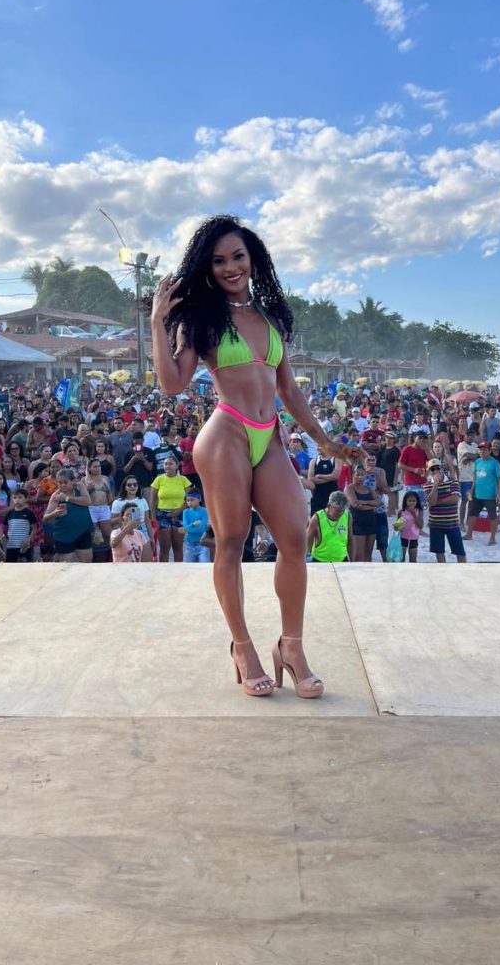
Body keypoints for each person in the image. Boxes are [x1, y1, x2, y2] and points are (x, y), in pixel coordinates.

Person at [150, 214, 355, 697]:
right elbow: (172, 383)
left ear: (253, 259)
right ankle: (242, 648)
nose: (230, 268)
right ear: (208, 267)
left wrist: (323, 440)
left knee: (294, 540)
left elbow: (289, 391)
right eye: (219, 260)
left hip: (271, 436)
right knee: (231, 542)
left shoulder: (271, 317)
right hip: (226, 435)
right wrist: (158, 321)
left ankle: (291, 648)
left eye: (238, 257)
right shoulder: (200, 320)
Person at [42, 468, 94, 563]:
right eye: (60, 482)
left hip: (82, 532)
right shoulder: (56, 496)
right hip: (63, 535)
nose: (62, 485)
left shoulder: (79, 487)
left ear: (72, 481)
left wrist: (67, 498)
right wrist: (55, 513)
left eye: (65, 482)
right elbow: (45, 518)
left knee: (87, 564)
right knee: (65, 565)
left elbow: (87, 501)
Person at [424, 458, 466, 563]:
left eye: (437, 467)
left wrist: (436, 502)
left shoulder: (453, 481)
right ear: (429, 471)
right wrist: (435, 485)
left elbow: (455, 499)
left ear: (441, 468)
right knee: (439, 552)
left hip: (452, 524)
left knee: (460, 552)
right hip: (435, 524)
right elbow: (431, 501)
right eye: (432, 469)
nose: (435, 470)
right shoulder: (427, 485)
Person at [150, 455, 190, 562]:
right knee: (164, 547)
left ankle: (178, 570)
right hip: (162, 515)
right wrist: (153, 518)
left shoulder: (183, 480)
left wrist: (178, 511)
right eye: (165, 464)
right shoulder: (158, 479)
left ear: (177, 466)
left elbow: (189, 500)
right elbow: (153, 501)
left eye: (171, 464)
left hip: (180, 515)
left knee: (178, 547)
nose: (168, 466)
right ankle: (164, 570)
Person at [463, 441, 500, 546]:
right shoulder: (477, 462)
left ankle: (492, 538)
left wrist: (499, 494)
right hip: (477, 495)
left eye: (484, 450)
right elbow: (475, 478)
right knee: (472, 514)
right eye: (480, 449)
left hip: (490, 496)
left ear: (489, 451)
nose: (481, 451)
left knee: (493, 517)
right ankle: (469, 534)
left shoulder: (495, 463)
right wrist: (471, 490)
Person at [307, 490, 353, 564]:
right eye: (337, 511)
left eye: (343, 511)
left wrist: (352, 562)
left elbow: (350, 540)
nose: (340, 514)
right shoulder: (317, 518)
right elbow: (308, 541)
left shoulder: (348, 516)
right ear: (329, 506)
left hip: (341, 560)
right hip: (320, 561)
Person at [1, 489, 36, 562]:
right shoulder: (10, 513)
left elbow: (34, 528)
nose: (17, 500)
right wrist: (0, 537)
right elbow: (2, 526)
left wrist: (28, 540)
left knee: (25, 565)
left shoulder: (29, 513)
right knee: (10, 565)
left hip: (24, 546)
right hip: (11, 545)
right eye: (15, 498)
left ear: (26, 499)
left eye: (20, 497)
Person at [398, 432, 429, 507]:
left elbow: (431, 460)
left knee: (422, 506)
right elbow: (400, 464)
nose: (421, 440)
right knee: (411, 506)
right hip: (411, 483)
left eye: (423, 438)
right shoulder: (407, 449)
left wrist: (426, 448)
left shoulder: (424, 449)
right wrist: (414, 470)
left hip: (423, 482)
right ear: (414, 438)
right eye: (419, 438)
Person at [181, 490, 210, 563]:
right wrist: (193, 525)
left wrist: (190, 528)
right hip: (189, 545)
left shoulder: (204, 511)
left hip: (202, 545)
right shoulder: (186, 512)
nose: (189, 502)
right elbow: (186, 528)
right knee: (190, 567)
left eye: (192, 500)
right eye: (188, 500)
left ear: (199, 499)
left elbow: (201, 529)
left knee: (204, 565)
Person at [396, 490, 422, 563]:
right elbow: (397, 527)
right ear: (405, 501)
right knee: (401, 559)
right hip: (403, 537)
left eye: (414, 501)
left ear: (417, 501)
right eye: (409, 501)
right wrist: (398, 526)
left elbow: (420, 525)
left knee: (413, 560)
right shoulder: (401, 512)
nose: (411, 503)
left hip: (414, 538)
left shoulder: (418, 511)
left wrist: (413, 514)